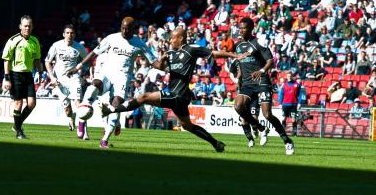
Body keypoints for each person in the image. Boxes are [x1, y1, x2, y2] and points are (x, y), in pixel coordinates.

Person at [102, 27, 246, 152]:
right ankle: (216, 143)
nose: (170, 41)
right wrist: (163, 58)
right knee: (188, 126)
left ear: (181, 38)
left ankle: (112, 110)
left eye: (173, 38)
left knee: (143, 98)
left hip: (179, 95)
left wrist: (234, 55)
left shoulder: (191, 50)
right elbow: (159, 66)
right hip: (177, 97)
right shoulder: (171, 53)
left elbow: (213, 53)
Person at [66, 17, 159, 148]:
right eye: (122, 28)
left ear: (133, 29)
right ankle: (82, 118)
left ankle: (104, 140)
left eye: (127, 29)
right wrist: (77, 67)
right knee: (96, 83)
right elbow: (93, 53)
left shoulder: (139, 44)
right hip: (106, 74)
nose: (124, 31)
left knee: (115, 106)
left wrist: (168, 68)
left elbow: (154, 62)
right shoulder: (111, 38)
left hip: (122, 80)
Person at [232, 17, 295, 155]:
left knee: (267, 114)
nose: (241, 30)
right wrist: (239, 77)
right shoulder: (237, 45)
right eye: (240, 28)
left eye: (244, 28)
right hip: (248, 83)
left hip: (262, 81)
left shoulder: (258, 42)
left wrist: (261, 71)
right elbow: (241, 64)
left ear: (251, 29)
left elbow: (270, 61)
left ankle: (287, 141)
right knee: (238, 106)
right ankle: (260, 128)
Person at [1, 15, 42, 139]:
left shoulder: (35, 41)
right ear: (20, 27)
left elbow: (37, 58)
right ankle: (19, 131)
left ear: (32, 27)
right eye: (25, 26)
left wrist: (39, 72)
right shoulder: (13, 40)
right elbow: (6, 59)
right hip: (15, 74)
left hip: (28, 74)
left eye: (29, 26)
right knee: (18, 103)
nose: (27, 28)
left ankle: (16, 124)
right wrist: (7, 77)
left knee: (32, 104)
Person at [45, 24, 89, 138]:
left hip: (74, 78)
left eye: (72, 33)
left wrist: (81, 70)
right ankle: (71, 118)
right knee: (68, 110)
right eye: (67, 33)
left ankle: (83, 131)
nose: (70, 35)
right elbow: (47, 62)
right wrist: (52, 77)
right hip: (59, 80)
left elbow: (88, 60)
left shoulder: (79, 47)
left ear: (75, 34)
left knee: (78, 103)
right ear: (64, 34)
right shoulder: (56, 45)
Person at [278, 72, 302, 136]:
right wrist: (280, 103)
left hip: (294, 104)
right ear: (286, 76)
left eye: (290, 76)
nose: (289, 77)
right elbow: (281, 94)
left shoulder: (297, 84)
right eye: (288, 76)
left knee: (293, 119)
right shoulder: (284, 85)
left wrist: (299, 103)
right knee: (284, 118)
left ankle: (294, 132)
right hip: (285, 104)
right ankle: (282, 132)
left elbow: (299, 94)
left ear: (292, 76)